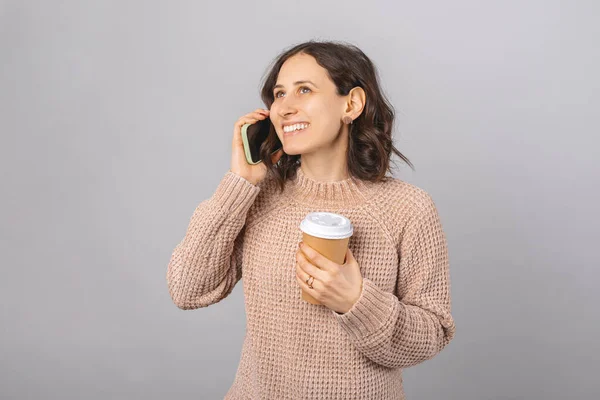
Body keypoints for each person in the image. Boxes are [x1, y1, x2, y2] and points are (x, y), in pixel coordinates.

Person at [166, 40, 456, 399]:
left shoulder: (408, 209)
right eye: (279, 94)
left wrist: (355, 301)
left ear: (351, 104)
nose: (284, 108)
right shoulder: (257, 198)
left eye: (304, 90)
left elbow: (432, 334)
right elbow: (187, 288)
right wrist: (239, 184)